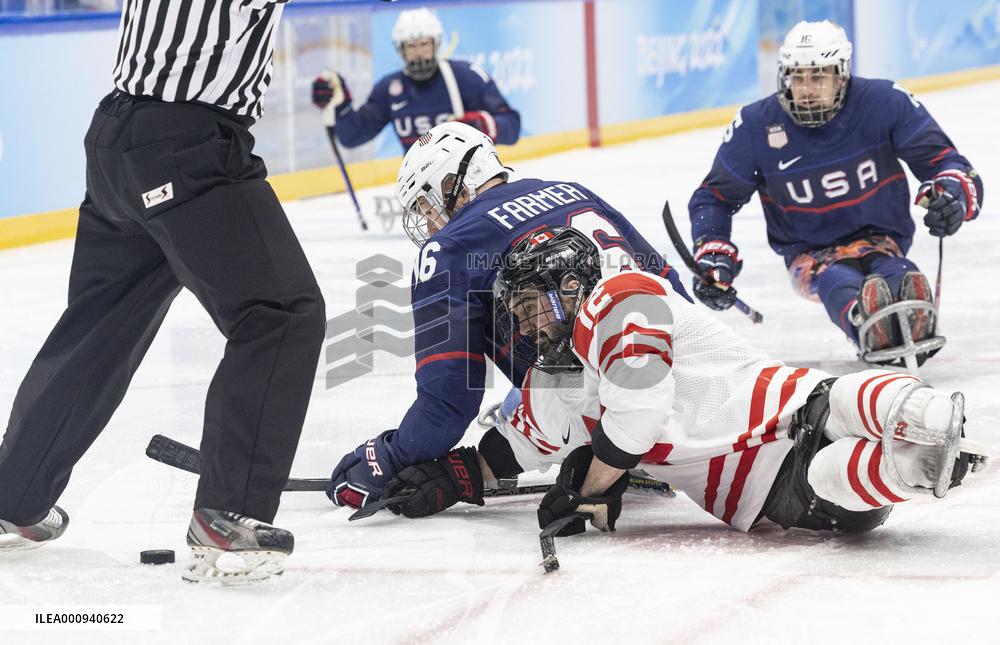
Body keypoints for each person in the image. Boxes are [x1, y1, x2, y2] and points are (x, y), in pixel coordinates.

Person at [0, 0, 326, 585]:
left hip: (116, 138)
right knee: (279, 314)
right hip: (187, 142)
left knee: (99, 327)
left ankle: (11, 495)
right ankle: (230, 509)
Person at [379, 227, 984, 536]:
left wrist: (590, 486)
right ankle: (921, 467)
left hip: (797, 406)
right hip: (781, 500)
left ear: (570, 285)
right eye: (521, 314)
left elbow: (637, 416)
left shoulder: (622, 297)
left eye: (534, 306)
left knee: (845, 402)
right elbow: (517, 446)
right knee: (831, 471)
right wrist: (458, 475)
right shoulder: (554, 375)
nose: (529, 325)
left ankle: (938, 431)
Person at [325, 121, 689, 511]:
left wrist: (390, 455)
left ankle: (581, 437)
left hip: (601, 411)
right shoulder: (573, 191)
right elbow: (669, 283)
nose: (429, 225)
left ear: (453, 185)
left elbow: (448, 402)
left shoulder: (449, 247)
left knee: (541, 377)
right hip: (684, 378)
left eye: (427, 207)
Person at [687, 20, 983, 368]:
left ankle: (907, 311)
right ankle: (863, 322)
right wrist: (713, 254)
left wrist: (952, 196)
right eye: (797, 77)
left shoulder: (884, 102)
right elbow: (715, 197)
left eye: (818, 77)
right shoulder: (756, 126)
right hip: (809, 253)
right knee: (838, 279)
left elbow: (946, 162)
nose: (806, 89)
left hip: (882, 238)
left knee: (899, 274)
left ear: (842, 75)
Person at [311, 7, 521, 152]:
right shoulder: (388, 89)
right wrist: (341, 107)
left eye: (424, 44)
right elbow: (353, 137)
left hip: (472, 179)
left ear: (436, 44)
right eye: (411, 46)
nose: (419, 53)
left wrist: (485, 125)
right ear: (400, 50)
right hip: (422, 187)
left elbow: (512, 126)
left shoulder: (466, 77)